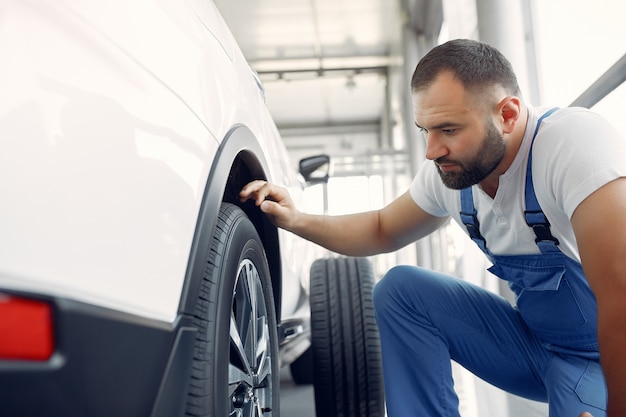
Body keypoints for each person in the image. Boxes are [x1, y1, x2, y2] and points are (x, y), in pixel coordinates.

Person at [239, 39, 626, 417]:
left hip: (599, 361)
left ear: (507, 115)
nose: (431, 150)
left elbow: (621, 293)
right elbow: (381, 228)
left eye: (449, 130)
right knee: (402, 291)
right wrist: (297, 219)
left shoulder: (572, 144)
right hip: (532, 346)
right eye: (425, 130)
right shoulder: (450, 175)